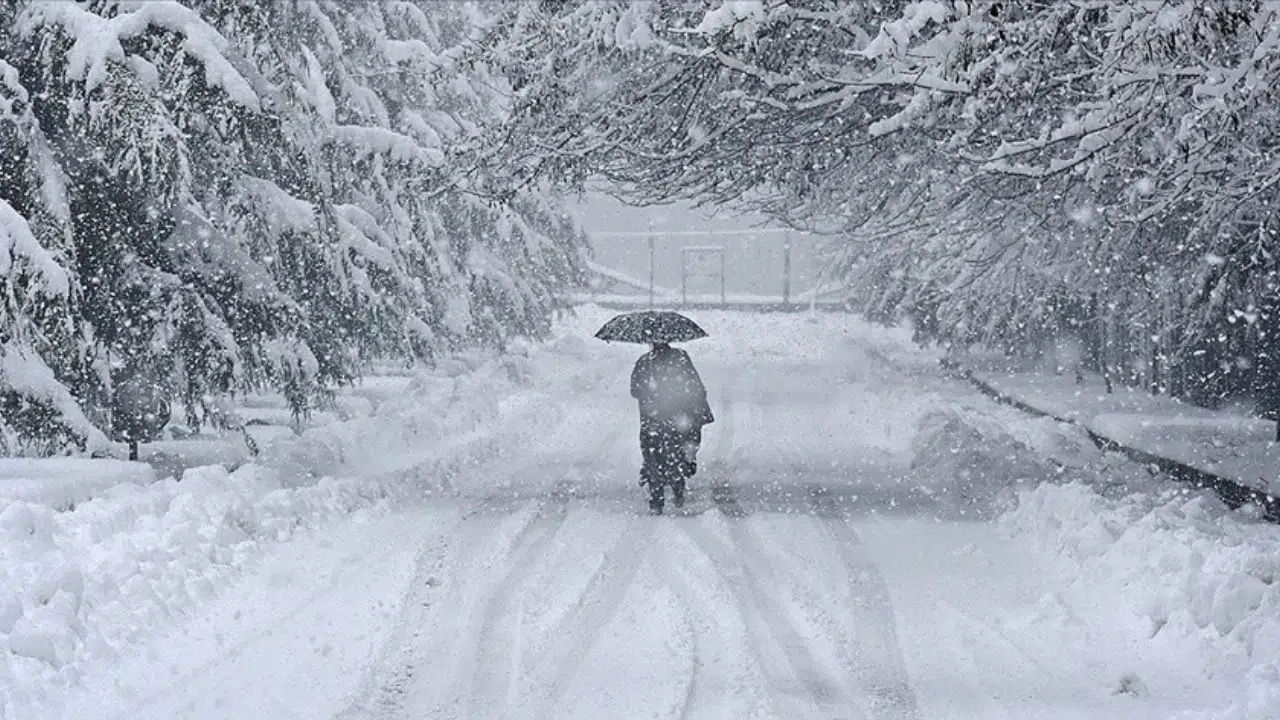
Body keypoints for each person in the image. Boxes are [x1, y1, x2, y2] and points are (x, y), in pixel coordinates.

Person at [630, 341, 713, 513]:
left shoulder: (644, 362)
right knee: (676, 453)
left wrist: (651, 393)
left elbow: (635, 390)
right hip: (677, 418)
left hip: (652, 419)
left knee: (653, 456)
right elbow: (695, 385)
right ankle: (678, 488)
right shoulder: (681, 359)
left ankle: (656, 499)